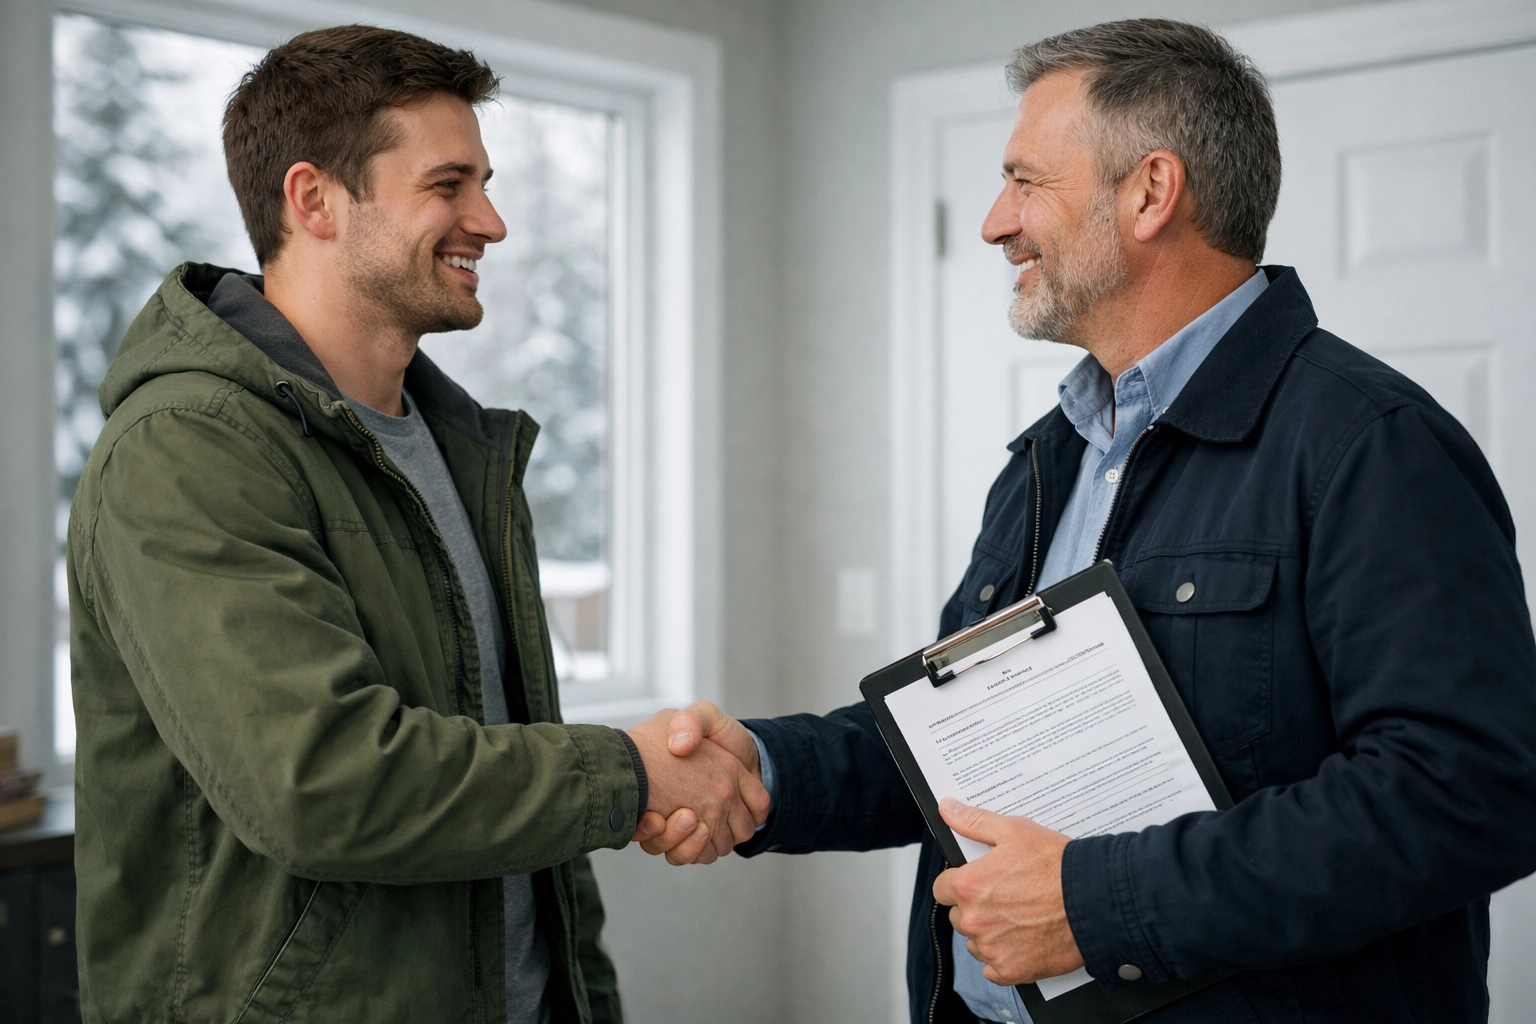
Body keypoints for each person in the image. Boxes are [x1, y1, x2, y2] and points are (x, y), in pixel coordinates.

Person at [637, 18, 1536, 1023]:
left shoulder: (1372, 443)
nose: (994, 221)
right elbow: (967, 746)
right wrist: (762, 771)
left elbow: (1467, 794)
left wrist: (1095, 904)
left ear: (1150, 191)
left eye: (1026, 180)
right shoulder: (1048, 458)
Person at [66, 24, 763, 1024]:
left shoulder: (458, 447)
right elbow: (324, 781)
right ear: (313, 200)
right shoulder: (186, 450)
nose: (492, 220)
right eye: (449, 185)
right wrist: (630, 766)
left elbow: (501, 767)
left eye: (486, 181)